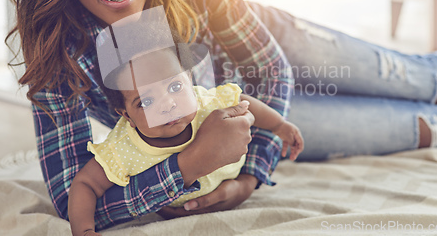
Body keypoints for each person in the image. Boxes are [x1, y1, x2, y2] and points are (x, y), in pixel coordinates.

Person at [6, 0, 437, 232]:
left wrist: (249, 177)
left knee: (430, 83)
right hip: (221, 115)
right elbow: (73, 196)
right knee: (424, 125)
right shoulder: (52, 36)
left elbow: (270, 69)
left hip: (270, 53)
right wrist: (186, 166)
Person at [67, 23, 303, 235]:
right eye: (146, 102)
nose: (168, 104)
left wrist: (279, 125)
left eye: (175, 86)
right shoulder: (123, 149)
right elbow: (86, 183)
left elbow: (244, 100)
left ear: (190, 78)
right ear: (126, 115)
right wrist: (84, 230)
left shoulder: (207, 103)